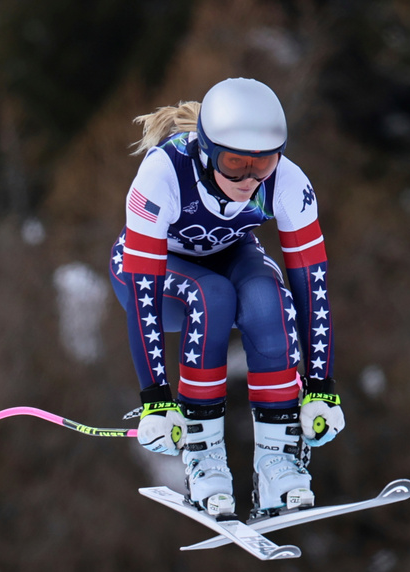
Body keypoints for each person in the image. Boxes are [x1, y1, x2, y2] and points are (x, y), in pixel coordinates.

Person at [109, 77, 345, 518]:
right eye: (235, 164)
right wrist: (156, 399)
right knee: (211, 295)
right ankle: (204, 457)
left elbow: (312, 287)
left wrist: (320, 389)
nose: (249, 179)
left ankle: (279, 462)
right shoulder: (163, 175)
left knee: (266, 298)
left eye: (263, 164)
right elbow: (144, 292)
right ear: (206, 152)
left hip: (230, 254)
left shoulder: (288, 182)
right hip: (155, 277)